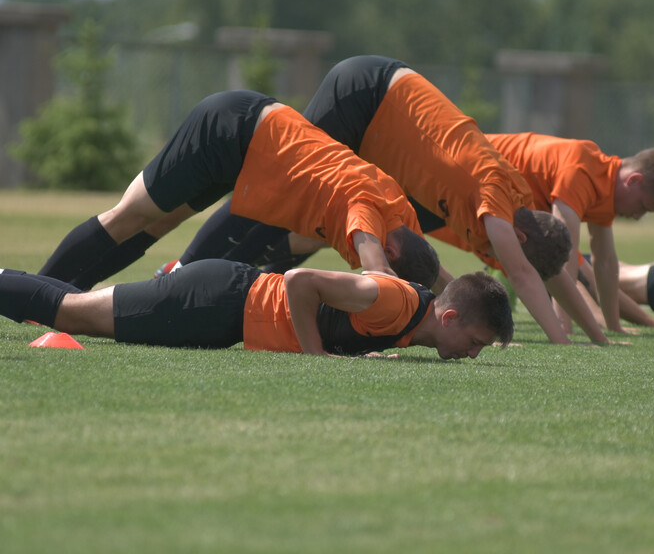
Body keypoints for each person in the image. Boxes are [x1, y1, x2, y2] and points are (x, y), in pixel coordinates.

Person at [165, 57, 609, 345]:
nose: (494, 259)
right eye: (504, 252)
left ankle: (251, 286)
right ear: (517, 235)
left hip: (387, 126)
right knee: (280, 190)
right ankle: (183, 271)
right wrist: (562, 342)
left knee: (315, 227)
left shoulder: (510, 210)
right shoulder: (495, 199)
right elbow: (524, 275)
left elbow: (538, 271)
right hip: (368, 94)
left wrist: (602, 337)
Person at [37, 90, 440, 291]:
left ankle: (64, 300)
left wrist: (449, 300)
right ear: (392, 253)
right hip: (231, 129)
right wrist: (396, 313)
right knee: (129, 216)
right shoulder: (369, 215)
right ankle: (29, 294)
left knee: (158, 224)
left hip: (250, 146)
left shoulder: (402, 220)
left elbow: (421, 268)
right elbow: (377, 277)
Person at [423, 133, 654, 335]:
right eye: (642, 207)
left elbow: (605, 264)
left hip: (482, 203)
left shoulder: (602, 185)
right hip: (447, 178)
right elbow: (566, 264)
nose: (638, 216)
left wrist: (619, 326)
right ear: (634, 180)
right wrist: (565, 330)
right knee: (411, 251)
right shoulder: (581, 169)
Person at [0, 263, 513, 358]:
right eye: (474, 344)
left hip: (223, 313)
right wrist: (316, 355)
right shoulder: (397, 300)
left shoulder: (409, 328)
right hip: (219, 299)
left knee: (77, 306)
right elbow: (301, 280)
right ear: (450, 319)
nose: (472, 355)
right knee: (70, 313)